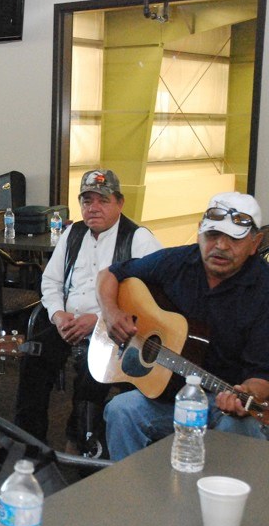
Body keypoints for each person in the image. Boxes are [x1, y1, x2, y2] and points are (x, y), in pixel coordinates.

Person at [98, 192, 269, 461]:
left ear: (255, 243)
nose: (221, 246)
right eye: (212, 235)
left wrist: (246, 394)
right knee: (122, 409)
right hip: (171, 395)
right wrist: (111, 314)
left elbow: (261, 378)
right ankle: (129, 496)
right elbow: (110, 274)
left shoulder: (263, 291)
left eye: (234, 239)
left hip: (223, 403)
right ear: (199, 232)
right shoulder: (177, 262)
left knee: (233, 427)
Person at [14, 169, 162, 455]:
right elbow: (51, 281)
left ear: (120, 203)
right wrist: (58, 315)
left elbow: (154, 299)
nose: (93, 208)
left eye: (103, 201)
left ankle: (80, 441)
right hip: (65, 323)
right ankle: (29, 445)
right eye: (87, 201)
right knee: (32, 356)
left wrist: (99, 319)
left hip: (112, 328)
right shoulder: (72, 233)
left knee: (92, 369)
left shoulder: (139, 239)